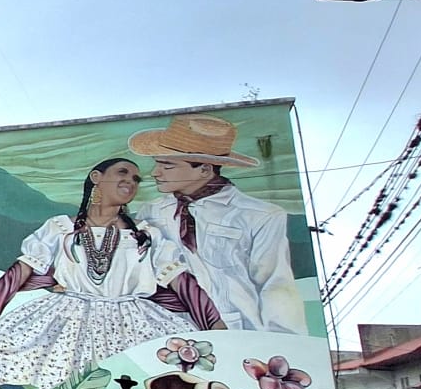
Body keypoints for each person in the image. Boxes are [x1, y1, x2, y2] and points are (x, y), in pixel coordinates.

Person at [0, 158, 226, 389]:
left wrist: (216, 329)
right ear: (96, 178)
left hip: (131, 323)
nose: (130, 182)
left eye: (136, 179)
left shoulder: (146, 235)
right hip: (67, 320)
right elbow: (18, 274)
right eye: (123, 173)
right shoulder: (60, 227)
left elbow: (184, 284)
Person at [129, 114, 308, 335]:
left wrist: (288, 347)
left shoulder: (261, 215)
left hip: (239, 333)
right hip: (168, 333)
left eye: (167, 165)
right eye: (157, 163)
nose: (155, 173)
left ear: (204, 169)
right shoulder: (152, 211)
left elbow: (276, 286)